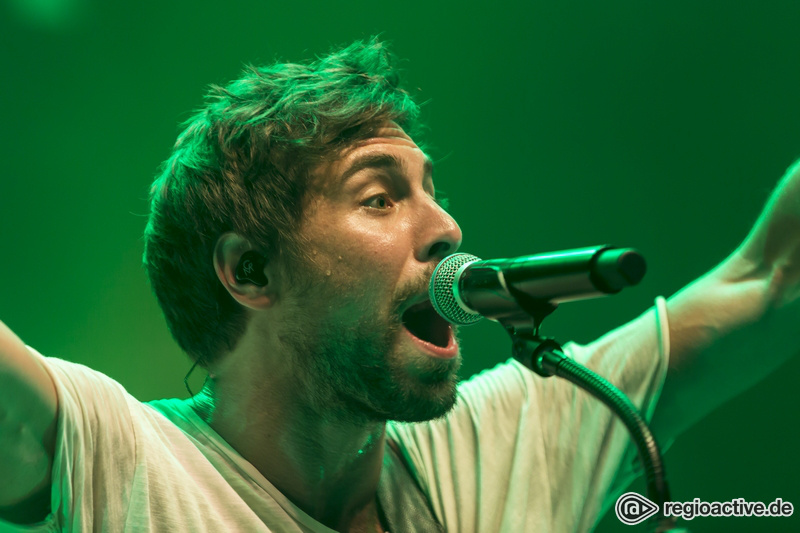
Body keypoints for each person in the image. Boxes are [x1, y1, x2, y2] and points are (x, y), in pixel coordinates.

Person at [0, 36, 798, 533]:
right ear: (250, 270)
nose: (447, 227)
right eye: (379, 196)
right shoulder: (122, 462)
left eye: (430, 187)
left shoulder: (502, 438)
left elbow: (771, 279)